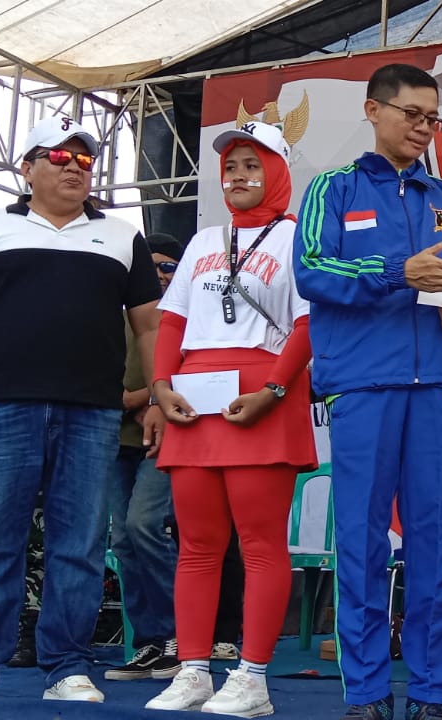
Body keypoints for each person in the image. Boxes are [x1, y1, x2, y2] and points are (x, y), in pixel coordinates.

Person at [0, 115, 164, 704]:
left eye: (85, 159)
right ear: (27, 167)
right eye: (59, 156)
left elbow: (150, 327)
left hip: (93, 413)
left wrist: (155, 396)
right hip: (0, 407)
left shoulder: (123, 236)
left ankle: (68, 665)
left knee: (81, 544)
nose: (75, 167)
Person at [294, 63, 442, 720]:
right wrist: (396, 271)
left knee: (441, 545)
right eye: (412, 114)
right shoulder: (333, 189)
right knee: (361, 544)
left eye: (433, 118)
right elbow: (311, 269)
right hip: (362, 387)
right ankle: (367, 694)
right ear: (374, 110)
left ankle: (432, 696)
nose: (424, 128)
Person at [141, 120, 316, 717]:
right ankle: (193, 670)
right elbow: (172, 321)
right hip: (194, 400)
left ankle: (253, 679)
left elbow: (308, 323)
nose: (238, 177)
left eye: (253, 165)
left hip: (261, 396)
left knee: (260, 545)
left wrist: (272, 389)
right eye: (231, 167)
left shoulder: (297, 238)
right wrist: (161, 387)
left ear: (279, 171)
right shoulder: (203, 241)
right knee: (196, 544)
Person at [103, 232, 186, 682]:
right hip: (115, 439)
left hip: (168, 439)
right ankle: (150, 641)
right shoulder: (112, 317)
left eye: (167, 266)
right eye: (149, 267)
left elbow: (195, 376)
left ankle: (179, 637)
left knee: (144, 525)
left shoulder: (189, 316)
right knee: (122, 540)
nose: (158, 274)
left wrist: (144, 397)